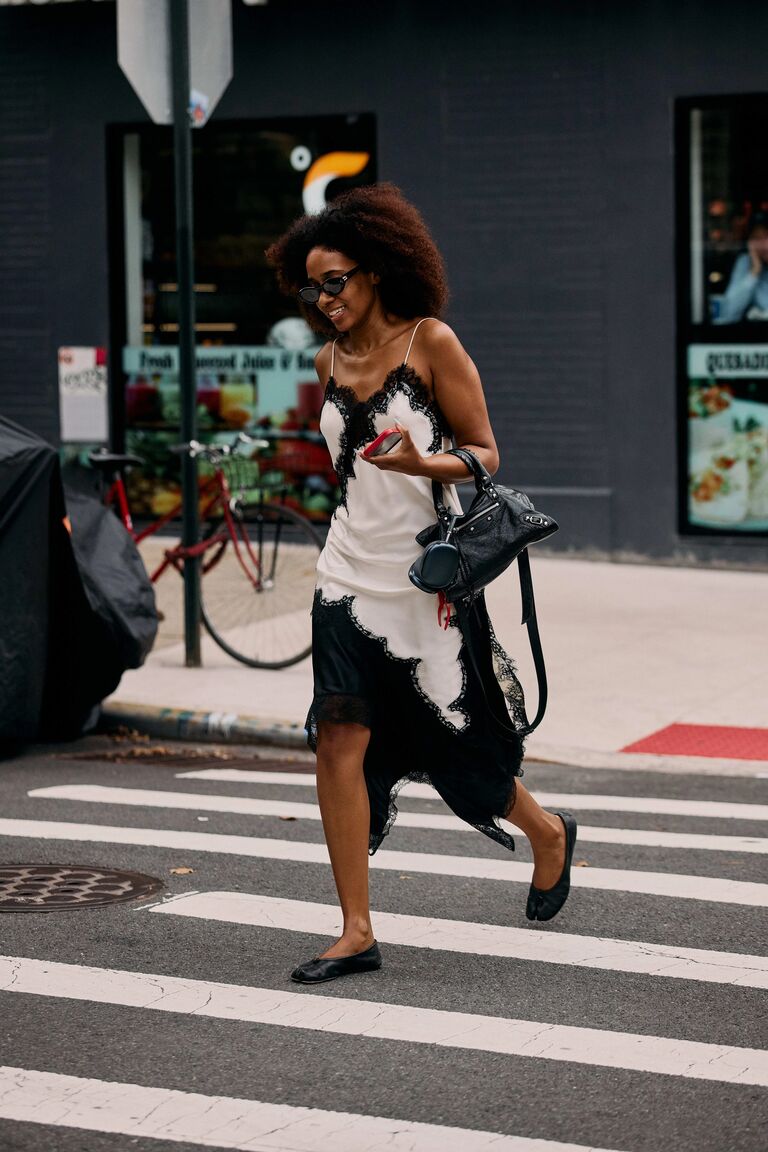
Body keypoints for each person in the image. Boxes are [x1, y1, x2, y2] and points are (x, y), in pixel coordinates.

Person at [266, 184, 577, 984]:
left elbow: (485, 454)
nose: (324, 299)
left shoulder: (429, 342)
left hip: (426, 586)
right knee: (336, 737)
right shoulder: (325, 361)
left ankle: (544, 833)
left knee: (461, 756)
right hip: (345, 578)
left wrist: (419, 461)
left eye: (335, 280)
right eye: (311, 287)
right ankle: (355, 929)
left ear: (374, 270)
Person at [714, 210, 768, 324]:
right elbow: (728, 314)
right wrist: (754, 272)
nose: (765, 245)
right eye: (758, 238)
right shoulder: (746, 262)